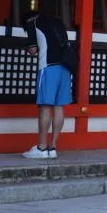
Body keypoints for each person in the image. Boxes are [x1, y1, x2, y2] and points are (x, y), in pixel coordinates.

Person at [21, 11, 73, 159]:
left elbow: (32, 50)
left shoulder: (32, 22)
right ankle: (53, 147)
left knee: (45, 106)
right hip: (65, 68)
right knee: (59, 107)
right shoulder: (59, 22)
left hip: (48, 67)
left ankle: (41, 148)